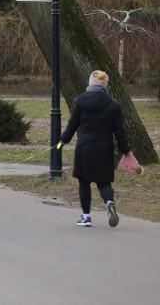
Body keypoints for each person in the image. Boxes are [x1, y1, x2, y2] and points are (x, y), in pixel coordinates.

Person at [59, 70, 133, 228]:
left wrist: (61, 142)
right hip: (104, 148)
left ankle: (86, 217)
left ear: (90, 83)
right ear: (105, 85)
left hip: (85, 147)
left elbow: (72, 126)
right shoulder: (113, 104)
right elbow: (119, 131)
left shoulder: (80, 101)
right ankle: (109, 202)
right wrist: (125, 150)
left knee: (84, 182)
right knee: (104, 182)